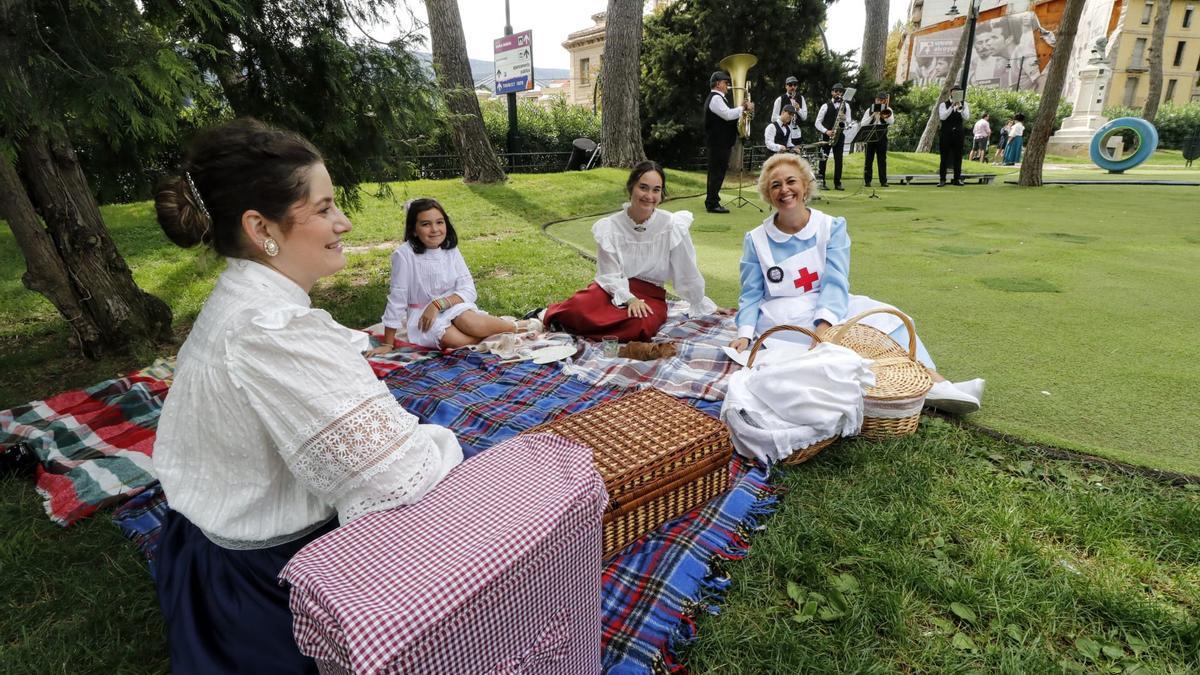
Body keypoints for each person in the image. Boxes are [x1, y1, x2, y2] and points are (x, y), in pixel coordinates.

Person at [151, 118, 463, 672]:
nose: (342, 223)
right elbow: (396, 478)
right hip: (259, 583)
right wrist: (446, 447)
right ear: (259, 227)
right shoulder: (269, 328)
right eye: (323, 209)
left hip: (212, 551)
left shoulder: (244, 298)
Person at [726, 153, 984, 414]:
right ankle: (929, 389)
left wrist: (824, 326)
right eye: (775, 185)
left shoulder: (830, 227)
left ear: (805, 185)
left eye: (791, 181)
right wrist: (745, 334)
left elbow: (835, 282)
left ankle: (933, 381)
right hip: (784, 312)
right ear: (768, 195)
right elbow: (751, 293)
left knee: (890, 320)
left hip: (830, 305)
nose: (784, 190)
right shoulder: (756, 239)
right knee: (853, 340)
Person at [544, 161, 717, 342]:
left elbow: (686, 270)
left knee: (640, 325)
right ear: (631, 188)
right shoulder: (610, 226)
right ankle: (549, 316)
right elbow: (608, 273)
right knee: (577, 307)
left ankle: (573, 326)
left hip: (651, 294)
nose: (649, 196)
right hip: (611, 288)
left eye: (656, 190)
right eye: (643, 187)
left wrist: (699, 301)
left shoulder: (672, 225)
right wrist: (629, 299)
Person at [366, 198, 538, 354]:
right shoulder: (404, 255)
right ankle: (496, 334)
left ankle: (516, 326)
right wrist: (388, 344)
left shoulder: (450, 250)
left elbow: (469, 290)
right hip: (422, 316)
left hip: (453, 306)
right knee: (454, 341)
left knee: (471, 324)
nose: (434, 230)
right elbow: (397, 299)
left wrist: (438, 304)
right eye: (426, 224)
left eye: (439, 222)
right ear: (413, 230)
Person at [704, 70, 753, 214]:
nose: (728, 86)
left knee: (716, 172)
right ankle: (712, 203)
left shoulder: (719, 99)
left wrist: (742, 113)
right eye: (726, 83)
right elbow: (727, 115)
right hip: (718, 142)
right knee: (717, 173)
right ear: (718, 84)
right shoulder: (716, 98)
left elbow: (728, 116)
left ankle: (711, 200)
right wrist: (742, 108)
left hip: (720, 142)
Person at [814, 82, 852, 190]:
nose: (838, 93)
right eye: (836, 91)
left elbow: (849, 122)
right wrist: (826, 131)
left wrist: (844, 118)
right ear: (832, 92)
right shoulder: (825, 106)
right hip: (827, 135)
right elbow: (817, 122)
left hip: (839, 135)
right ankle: (821, 182)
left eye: (840, 91)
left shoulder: (846, 106)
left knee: (839, 159)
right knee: (823, 158)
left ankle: (838, 182)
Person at [858, 91, 894, 187]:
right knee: (868, 159)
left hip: (882, 137)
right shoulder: (869, 110)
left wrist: (884, 115)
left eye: (882, 100)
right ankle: (867, 181)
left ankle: (883, 181)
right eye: (878, 100)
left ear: (885, 101)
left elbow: (891, 122)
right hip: (870, 137)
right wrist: (872, 115)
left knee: (882, 160)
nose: (880, 102)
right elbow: (863, 124)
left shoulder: (888, 109)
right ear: (875, 100)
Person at [937, 85, 971, 186]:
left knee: (958, 157)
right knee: (944, 157)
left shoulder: (964, 104)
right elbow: (943, 117)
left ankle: (957, 179)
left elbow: (967, 117)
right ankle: (942, 179)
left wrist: (960, 107)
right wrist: (952, 107)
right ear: (951, 93)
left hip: (958, 133)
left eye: (959, 92)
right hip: (946, 133)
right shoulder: (943, 104)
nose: (956, 94)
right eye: (955, 91)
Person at [771, 75, 808, 147]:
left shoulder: (801, 98)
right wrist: (784, 117)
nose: (793, 87)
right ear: (786, 86)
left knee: (796, 156)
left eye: (795, 85)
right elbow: (773, 118)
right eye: (790, 85)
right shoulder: (780, 99)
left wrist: (798, 109)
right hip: (783, 133)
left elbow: (804, 117)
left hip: (797, 134)